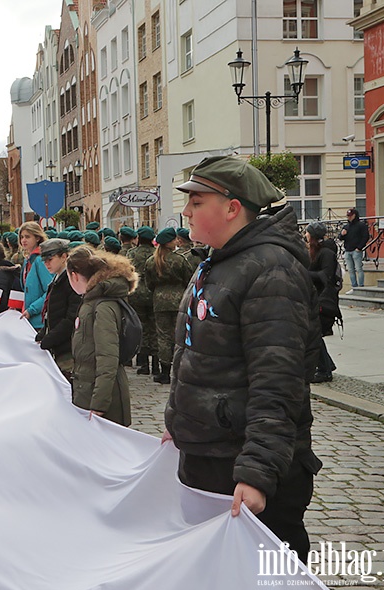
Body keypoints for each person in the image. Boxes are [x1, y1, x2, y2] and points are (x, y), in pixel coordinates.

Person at [164, 155, 323, 559]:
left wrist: (257, 472)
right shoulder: (217, 263)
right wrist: (181, 423)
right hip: (208, 456)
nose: (186, 211)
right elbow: (198, 354)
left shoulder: (271, 269)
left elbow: (278, 380)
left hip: (241, 465)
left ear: (232, 207)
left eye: (197, 202)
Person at [66, 245, 136, 426]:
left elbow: (107, 357)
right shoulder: (91, 301)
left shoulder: (102, 306)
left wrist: (99, 404)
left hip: (102, 401)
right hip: (88, 392)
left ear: (74, 275)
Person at [143, 227, 194, 384]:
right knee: (180, 335)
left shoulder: (152, 261)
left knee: (163, 336)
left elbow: (149, 283)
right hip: (179, 299)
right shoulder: (179, 259)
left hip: (159, 300)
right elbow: (189, 278)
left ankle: (164, 371)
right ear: (170, 242)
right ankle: (180, 369)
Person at [35, 238, 81, 380]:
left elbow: (71, 317)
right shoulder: (57, 278)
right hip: (59, 345)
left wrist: (50, 338)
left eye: (51, 259)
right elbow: (52, 312)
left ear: (64, 256)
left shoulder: (70, 280)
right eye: (45, 260)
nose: (47, 263)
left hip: (68, 347)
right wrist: (43, 333)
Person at [306, 222, 341, 383]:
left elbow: (326, 276)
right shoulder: (316, 251)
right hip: (316, 298)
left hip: (324, 301)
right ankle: (327, 366)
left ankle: (325, 370)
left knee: (314, 335)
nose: (305, 235)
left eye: (307, 232)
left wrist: (305, 273)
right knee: (314, 335)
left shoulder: (326, 253)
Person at [128, 227, 157, 376]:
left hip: (137, 293)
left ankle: (144, 363)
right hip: (153, 293)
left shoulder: (132, 253)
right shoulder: (156, 253)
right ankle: (157, 365)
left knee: (142, 328)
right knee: (155, 329)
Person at [18, 222, 54, 331]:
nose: (23, 240)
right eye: (22, 237)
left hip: (40, 320)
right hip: (29, 319)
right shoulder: (28, 260)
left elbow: (50, 290)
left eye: (27, 237)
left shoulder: (40, 260)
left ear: (37, 238)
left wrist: (32, 310)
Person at [338, 208, 369, 291]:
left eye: (350, 216)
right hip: (348, 250)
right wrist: (342, 234)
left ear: (354, 215)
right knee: (351, 270)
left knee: (359, 269)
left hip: (356, 251)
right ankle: (354, 287)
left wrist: (359, 248)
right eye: (348, 216)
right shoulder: (346, 226)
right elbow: (340, 238)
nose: (348, 218)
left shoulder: (361, 225)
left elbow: (365, 237)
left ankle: (361, 286)